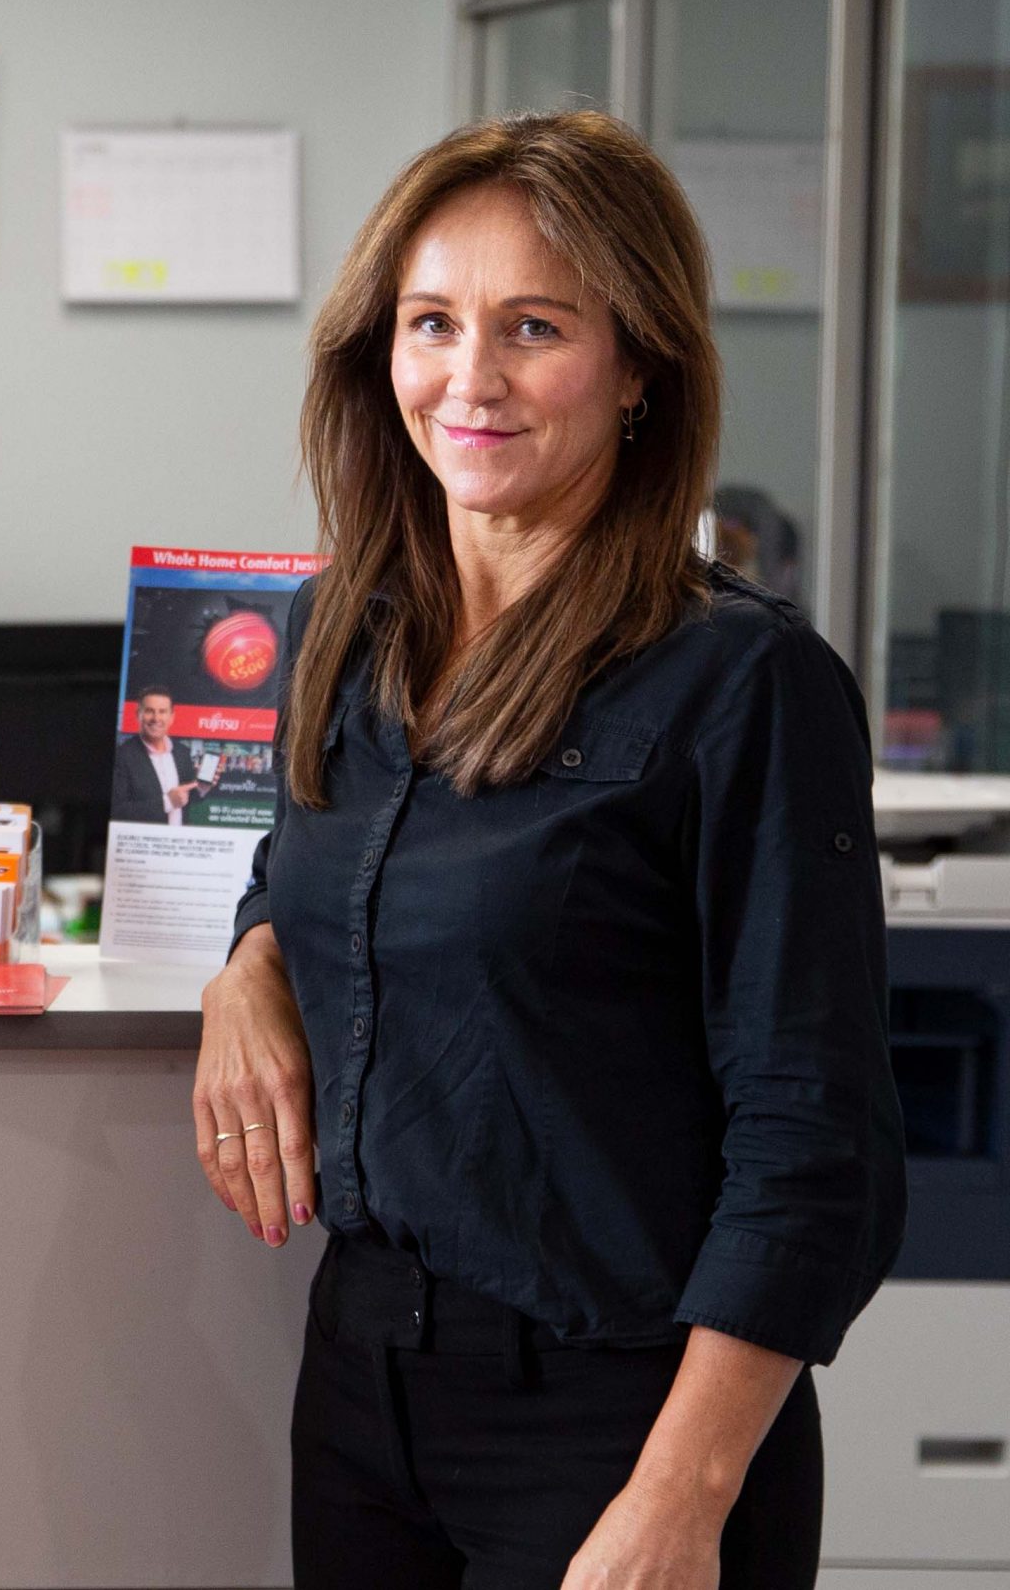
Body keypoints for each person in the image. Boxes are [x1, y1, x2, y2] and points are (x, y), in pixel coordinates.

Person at [194, 111, 905, 1588]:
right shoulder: (352, 629)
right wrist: (248, 962)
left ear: (640, 364)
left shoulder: (740, 683)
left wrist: (679, 1498)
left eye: (534, 327)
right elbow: (312, 864)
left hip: (623, 1414)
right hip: (364, 1379)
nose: (470, 378)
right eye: (432, 322)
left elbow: (814, 1135)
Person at [111, 687, 198, 825]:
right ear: (138, 714)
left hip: (179, 843)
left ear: (171, 717)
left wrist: (203, 787)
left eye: (162, 712)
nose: (156, 718)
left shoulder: (182, 752)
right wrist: (167, 802)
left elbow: (186, 798)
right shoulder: (122, 756)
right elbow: (117, 811)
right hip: (145, 844)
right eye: (149, 711)